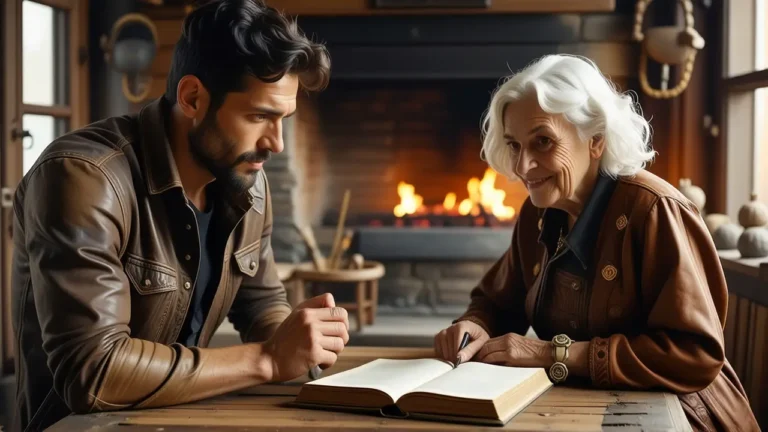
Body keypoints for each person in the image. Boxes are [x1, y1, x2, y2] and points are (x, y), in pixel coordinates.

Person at [10, 1, 348, 431]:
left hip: (188, 417)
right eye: (259, 116)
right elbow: (92, 373)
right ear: (192, 98)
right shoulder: (83, 177)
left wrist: (299, 338)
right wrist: (268, 359)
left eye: (284, 119)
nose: (277, 143)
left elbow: (260, 302)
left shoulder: (245, 179)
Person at [433, 54, 759, 431]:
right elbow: (497, 301)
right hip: (585, 409)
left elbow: (695, 356)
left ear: (596, 141)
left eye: (542, 142)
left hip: (683, 415)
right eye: (515, 146)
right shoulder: (538, 211)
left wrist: (552, 353)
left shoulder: (655, 210)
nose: (522, 167)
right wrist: (476, 325)